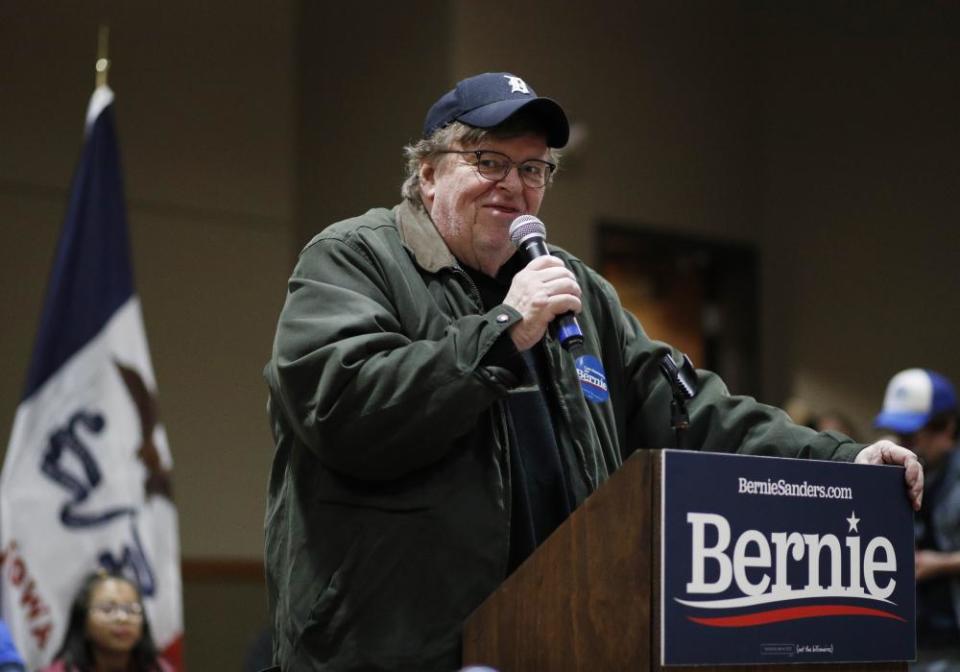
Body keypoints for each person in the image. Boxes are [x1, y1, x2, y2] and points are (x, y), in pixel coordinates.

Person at [263, 71, 923, 671]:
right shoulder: (354, 259)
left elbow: (697, 413)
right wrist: (502, 332)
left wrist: (843, 460)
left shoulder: (575, 291)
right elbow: (343, 408)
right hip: (397, 649)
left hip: (560, 639)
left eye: (534, 168)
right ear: (429, 173)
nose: (515, 186)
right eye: (488, 160)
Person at [874, 368, 960, 671]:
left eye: (911, 436)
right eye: (898, 435)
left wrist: (941, 563)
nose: (904, 445)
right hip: (908, 640)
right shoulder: (891, 475)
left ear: (947, 428)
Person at [40, 571, 172, 672]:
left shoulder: (160, 669)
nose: (122, 618)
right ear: (83, 621)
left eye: (131, 609)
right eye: (108, 609)